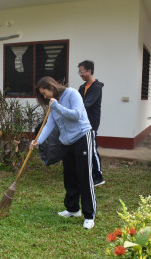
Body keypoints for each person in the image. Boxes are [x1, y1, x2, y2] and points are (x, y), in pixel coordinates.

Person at [30, 76, 96, 229]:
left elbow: (77, 115)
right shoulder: (52, 104)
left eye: (44, 92)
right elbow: (49, 125)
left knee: (84, 176)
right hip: (66, 142)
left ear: (51, 86)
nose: (45, 96)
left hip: (81, 137)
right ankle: (73, 209)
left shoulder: (72, 94)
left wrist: (57, 107)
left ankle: (89, 215)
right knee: (69, 176)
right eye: (42, 94)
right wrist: (37, 140)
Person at [78, 60, 105, 186]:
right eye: (79, 72)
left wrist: (73, 111)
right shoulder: (82, 87)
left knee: (92, 148)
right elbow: (77, 104)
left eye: (82, 71)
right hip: (82, 123)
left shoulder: (96, 87)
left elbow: (86, 104)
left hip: (92, 123)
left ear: (89, 71)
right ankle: (88, 173)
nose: (80, 74)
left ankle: (98, 176)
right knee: (85, 149)